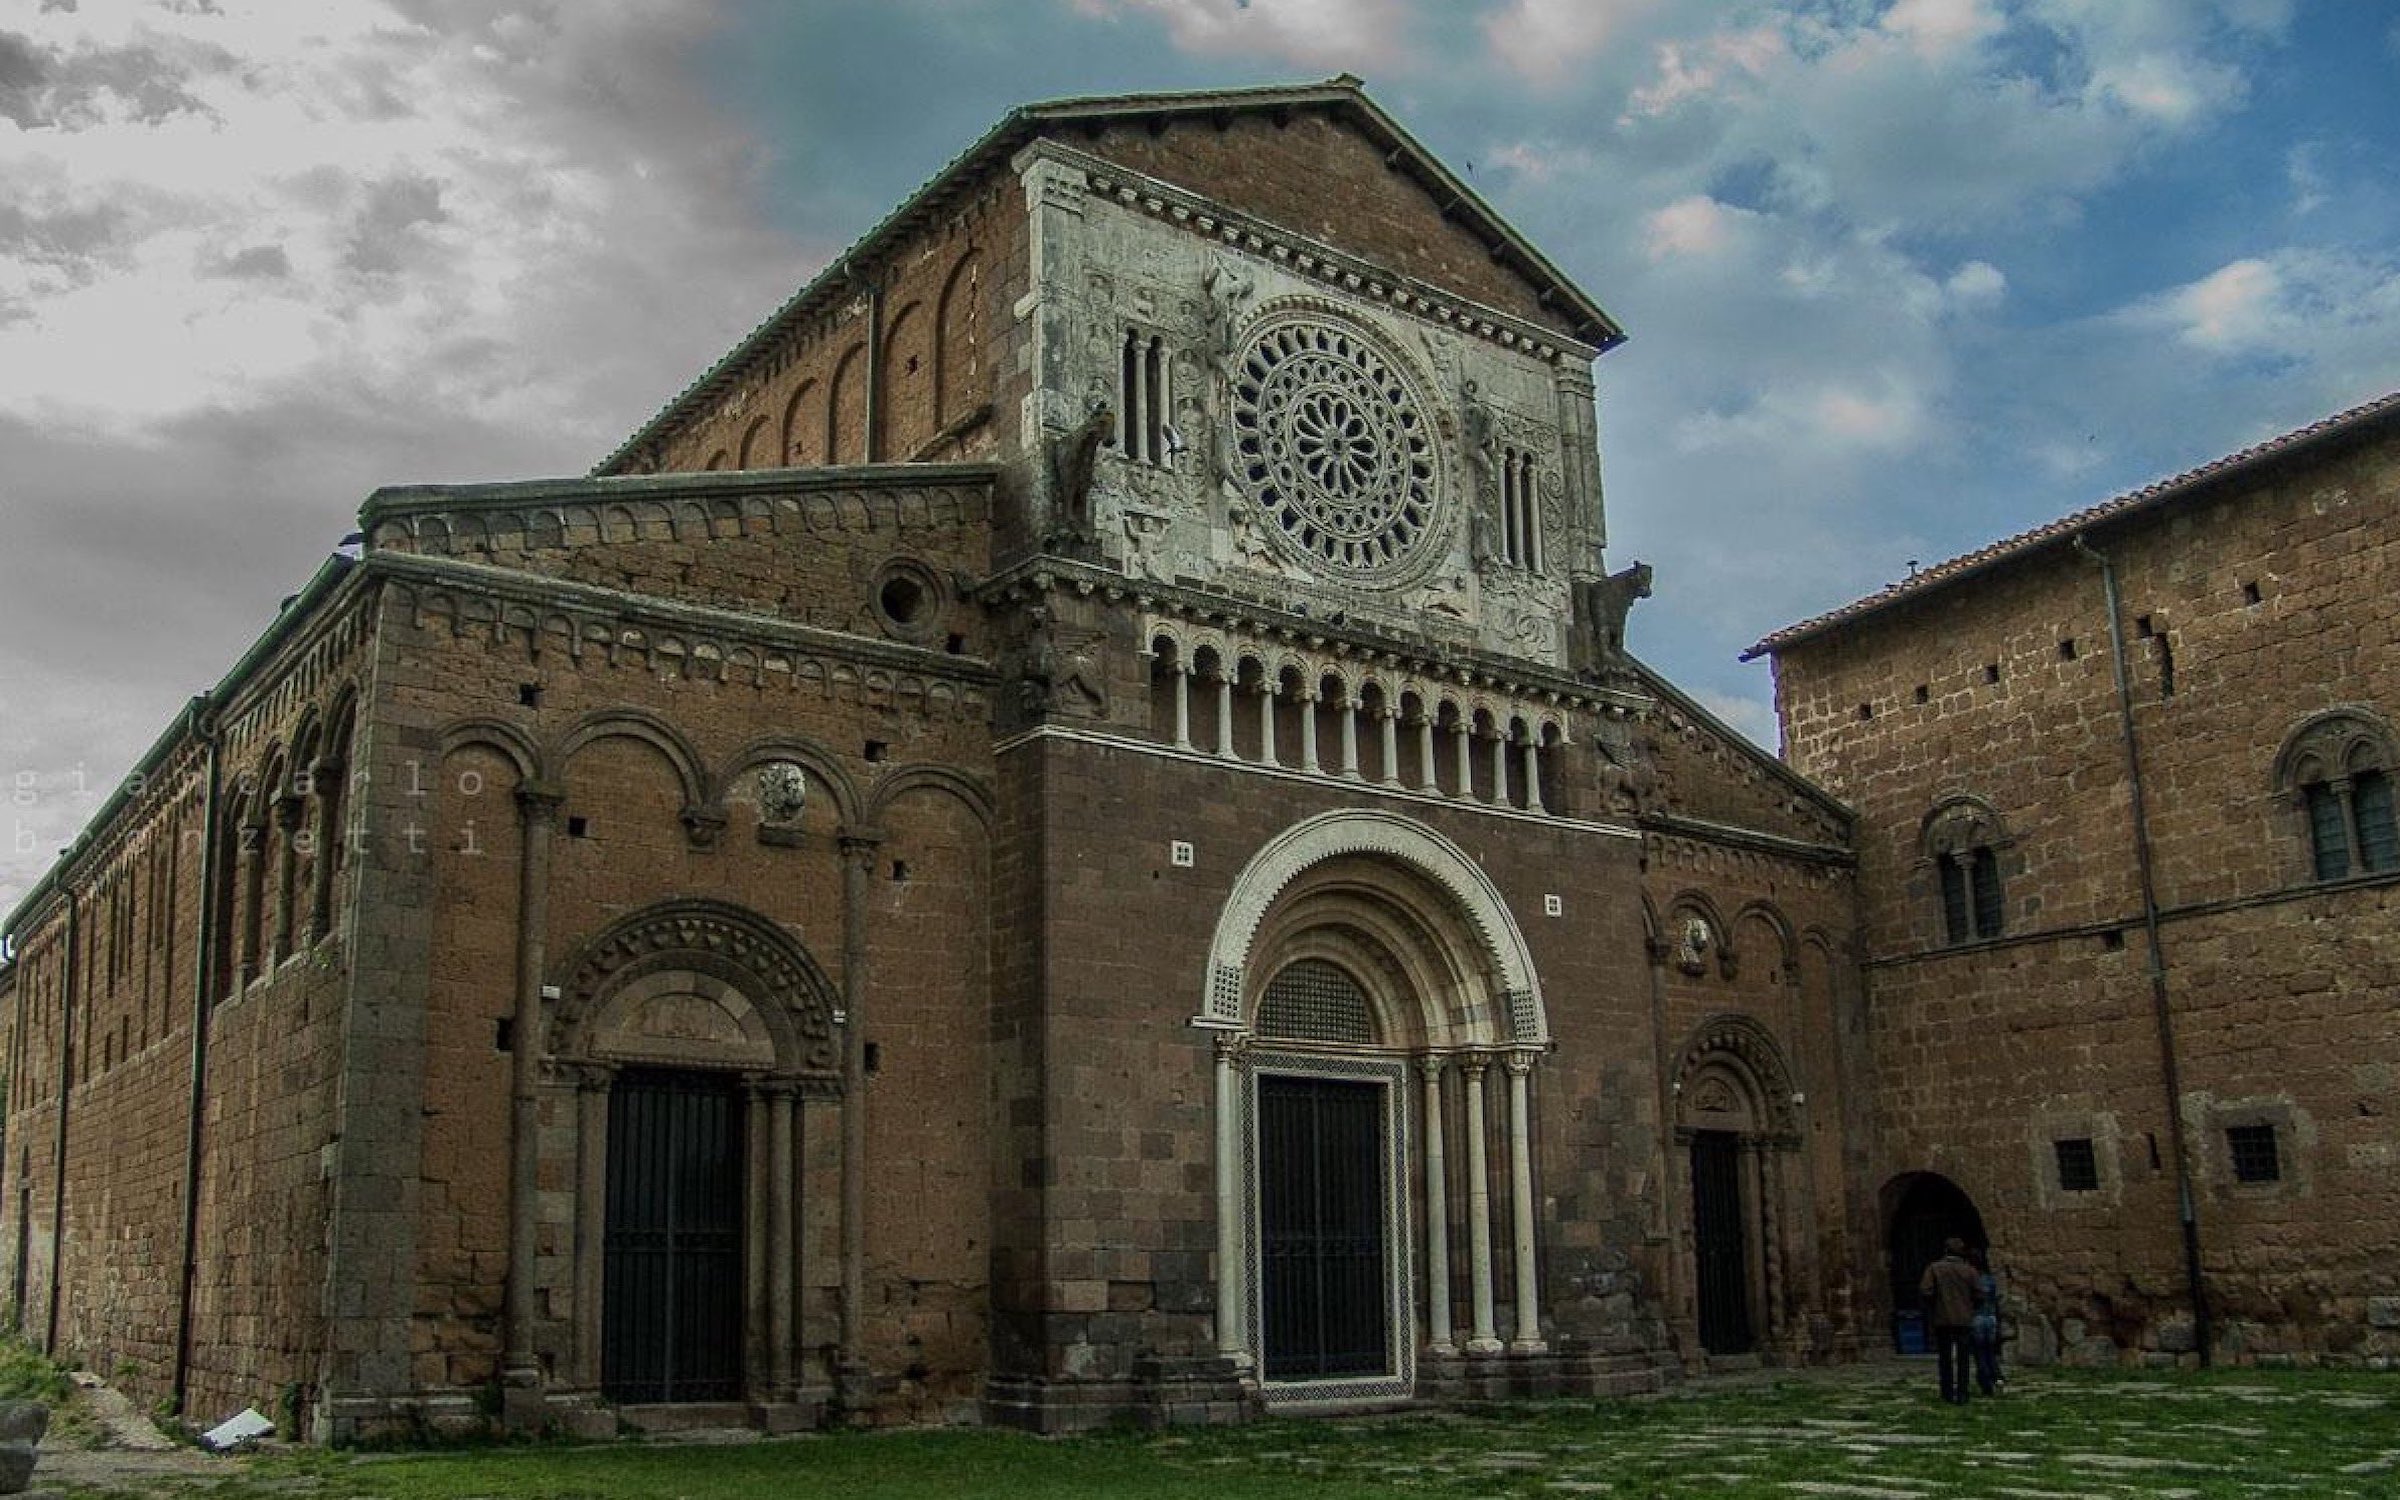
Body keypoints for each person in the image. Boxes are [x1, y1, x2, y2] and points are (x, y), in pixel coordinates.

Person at [1919, 1237, 1980, 1405]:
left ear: (1945, 1250)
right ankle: (1962, 1393)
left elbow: (1926, 1290)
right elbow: (1979, 1294)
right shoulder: (1969, 1271)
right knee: (1963, 1358)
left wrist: (1935, 1305)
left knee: (1945, 1358)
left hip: (1942, 1318)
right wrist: (1970, 1306)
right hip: (1964, 1319)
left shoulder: (1934, 1269)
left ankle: (1947, 1391)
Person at [1971, 1250, 2005, 1396]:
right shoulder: (1990, 1280)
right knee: (1990, 1352)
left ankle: (1986, 1384)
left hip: (1976, 1319)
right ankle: (1997, 1377)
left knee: (1979, 1353)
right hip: (1990, 1318)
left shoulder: (1972, 1281)